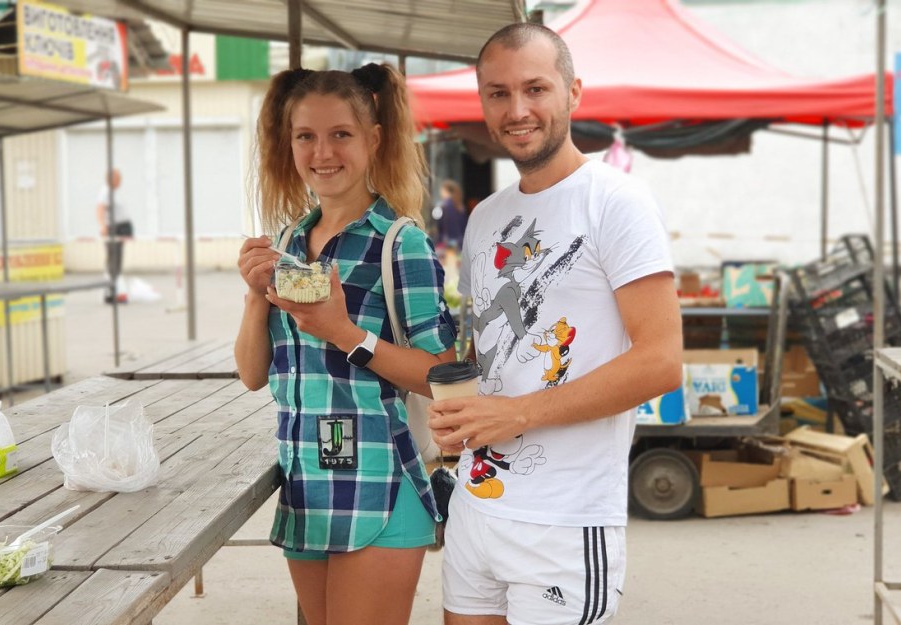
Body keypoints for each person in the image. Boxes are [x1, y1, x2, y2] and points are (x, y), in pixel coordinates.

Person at [428, 24, 683, 625]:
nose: (517, 110)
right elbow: (486, 355)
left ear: (573, 93)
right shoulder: (486, 215)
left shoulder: (617, 201)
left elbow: (662, 361)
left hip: (565, 520)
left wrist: (516, 414)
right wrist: (460, 415)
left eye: (535, 88)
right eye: (497, 93)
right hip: (478, 500)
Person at [233, 63, 458, 625]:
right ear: (289, 144)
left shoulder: (399, 244)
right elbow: (253, 375)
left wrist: (344, 332)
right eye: (305, 136)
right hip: (305, 482)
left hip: (378, 484)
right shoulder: (286, 242)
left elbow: (443, 374)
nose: (322, 151)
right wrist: (258, 293)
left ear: (373, 140)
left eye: (341, 134)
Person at [95, 168, 132, 304]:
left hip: (120, 229)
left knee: (117, 262)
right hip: (113, 229)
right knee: (113, 262)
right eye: (119, 178)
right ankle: (110, 292)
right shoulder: (105, 192)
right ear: (112, 179)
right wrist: (103, 225)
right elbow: (100, 209)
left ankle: (115, 290)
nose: (121, 181)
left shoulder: (113, 192)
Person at [435, 179, 468, 262]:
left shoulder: (444, 205)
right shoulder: (460, 206)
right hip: (460, 242)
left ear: (446, 191)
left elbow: (443, 226)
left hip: (448, 244)